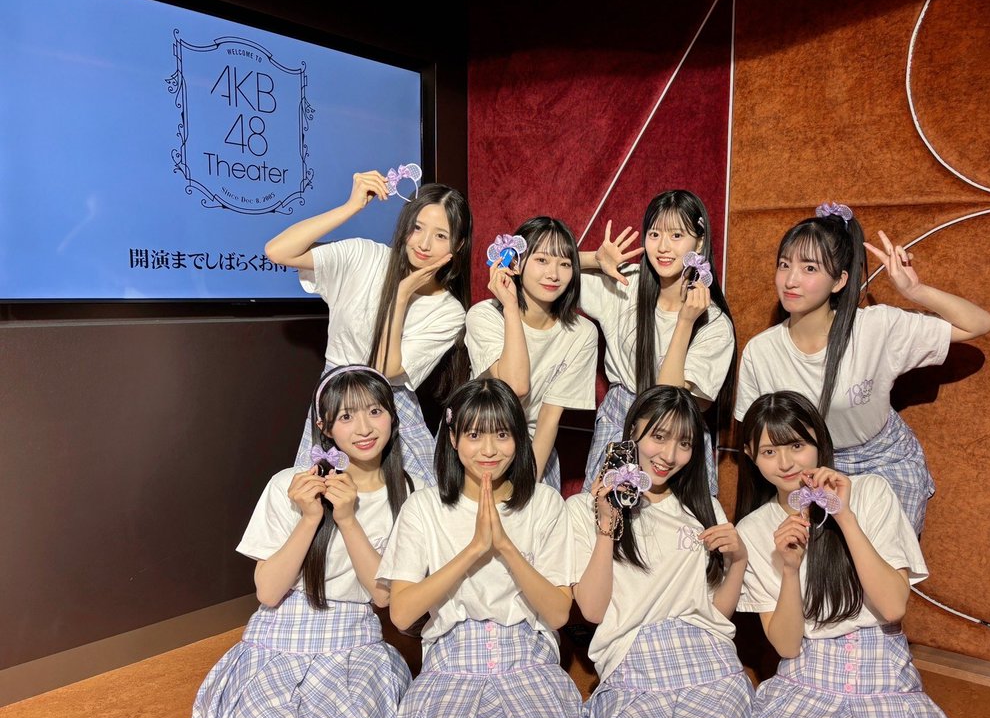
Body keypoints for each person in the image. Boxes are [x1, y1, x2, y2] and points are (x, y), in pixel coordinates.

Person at [735, 390, 988, 718]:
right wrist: (789, 570)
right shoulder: (753, 529)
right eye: (770, 451)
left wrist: (845, 517)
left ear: (820, 442)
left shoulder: (870, 492)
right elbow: (787, 646)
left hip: (881, 685)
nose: (786, 463)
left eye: (797, 445)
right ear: (751, 456)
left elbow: (892, 606)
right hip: (804, 684)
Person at [190, 365, 413, 718]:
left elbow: (383, 596)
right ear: (324, 427)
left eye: (375, 411)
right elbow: (268, 593)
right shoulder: (287, 485)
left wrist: (347, 519)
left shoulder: (404, 493)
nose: (364, 428)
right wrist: (310, 517)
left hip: (352, 645)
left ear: (392, 416)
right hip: (277, 641)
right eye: (346, 417)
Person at [377, 378, 579, 718]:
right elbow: (402, 614)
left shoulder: (546, 504)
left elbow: (558, 614)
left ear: (518, 438)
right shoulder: (424, 507)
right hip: (453, 665)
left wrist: (504, 546)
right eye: (474, 435)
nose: (489, 449)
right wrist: (473, 550)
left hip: (528, 661)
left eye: (502, 434)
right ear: (453, 438)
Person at [734, 202, 990, 533]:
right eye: (784, 265)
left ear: (839, 281)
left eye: (810, 268)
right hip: (808, 472)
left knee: (883, 562)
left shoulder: (875, 327)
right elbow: (758, 440)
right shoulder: (760, 352)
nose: (791, 280)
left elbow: (979, 323)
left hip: (883, 463)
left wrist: (914, 290)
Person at [569, 385, 750, 718]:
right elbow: (591, 610)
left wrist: (739, 562)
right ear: (632, 431)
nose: (669, 455)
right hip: (631, 666)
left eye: (684, 443)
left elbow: (716, 615)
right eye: (659, 436)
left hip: (706, 663)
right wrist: (606, 526)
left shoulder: (704, 507)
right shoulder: (582, 509)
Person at [265, 171, 473, 487]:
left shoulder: (449, 311)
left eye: (441, 235)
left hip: (391, 408)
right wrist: (350, 207)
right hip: (336, 401)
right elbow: (278, 251)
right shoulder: (365, 257)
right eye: (417, 228)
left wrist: (401, 295)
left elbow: (384, 370)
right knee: (322, 498)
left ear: (458, 244)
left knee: (408, 506)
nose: (424, 243)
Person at [578, 191, 735, 494]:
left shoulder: (714, 323)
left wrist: (685, 322)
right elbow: (534, 265)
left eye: (676, 235)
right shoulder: (626, 284)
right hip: (619, 423)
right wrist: (592, 259)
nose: (663, 247)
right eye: (654, 234)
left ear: (699, 243)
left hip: (676, 442)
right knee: (601, 518)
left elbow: (670, 405)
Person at [465, 217, 598, 488]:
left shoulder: (582, 333)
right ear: (515, 264)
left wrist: (528, 483)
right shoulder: (485, 315)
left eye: (565, 264)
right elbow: (515, 386)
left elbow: (550, 417)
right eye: (542, 260)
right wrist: (511, 307)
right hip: (477, 434)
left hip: (534, 446)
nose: (554, 274)